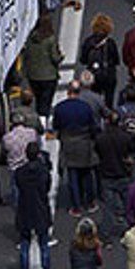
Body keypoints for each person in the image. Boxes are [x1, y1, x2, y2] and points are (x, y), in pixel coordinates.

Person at [52, 82, 99, 214]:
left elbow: (56, 125)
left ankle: (76, 206)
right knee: (86, 173)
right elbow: (92, 126)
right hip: (84, 142)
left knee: (72, 175)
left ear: (68, 92)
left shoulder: (60, 108)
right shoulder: (85, 107)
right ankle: (89, 202)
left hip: (68, 143)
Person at [14, 139, 54, 269]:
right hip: (40, 210)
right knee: (44, 246)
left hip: (25, 210)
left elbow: (18, 187)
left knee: (24, 246)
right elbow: (47, 188)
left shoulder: (20, 172)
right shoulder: (43, 172)